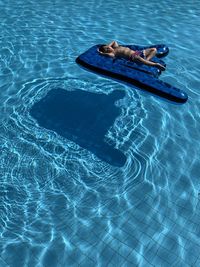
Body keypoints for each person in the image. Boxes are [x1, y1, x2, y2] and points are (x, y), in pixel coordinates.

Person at [98, 41, 165, 71]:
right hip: (133, 56)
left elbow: (114, 41)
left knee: (154, 50)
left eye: (107, 47)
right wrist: (101, 53)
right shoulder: (113, 53)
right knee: (140, 60)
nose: (108, 48)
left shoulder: (116, 47)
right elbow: (109, 55)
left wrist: (108, 45)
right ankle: (155, 65)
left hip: (138, 52)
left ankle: (146, 60)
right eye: (106, 49)